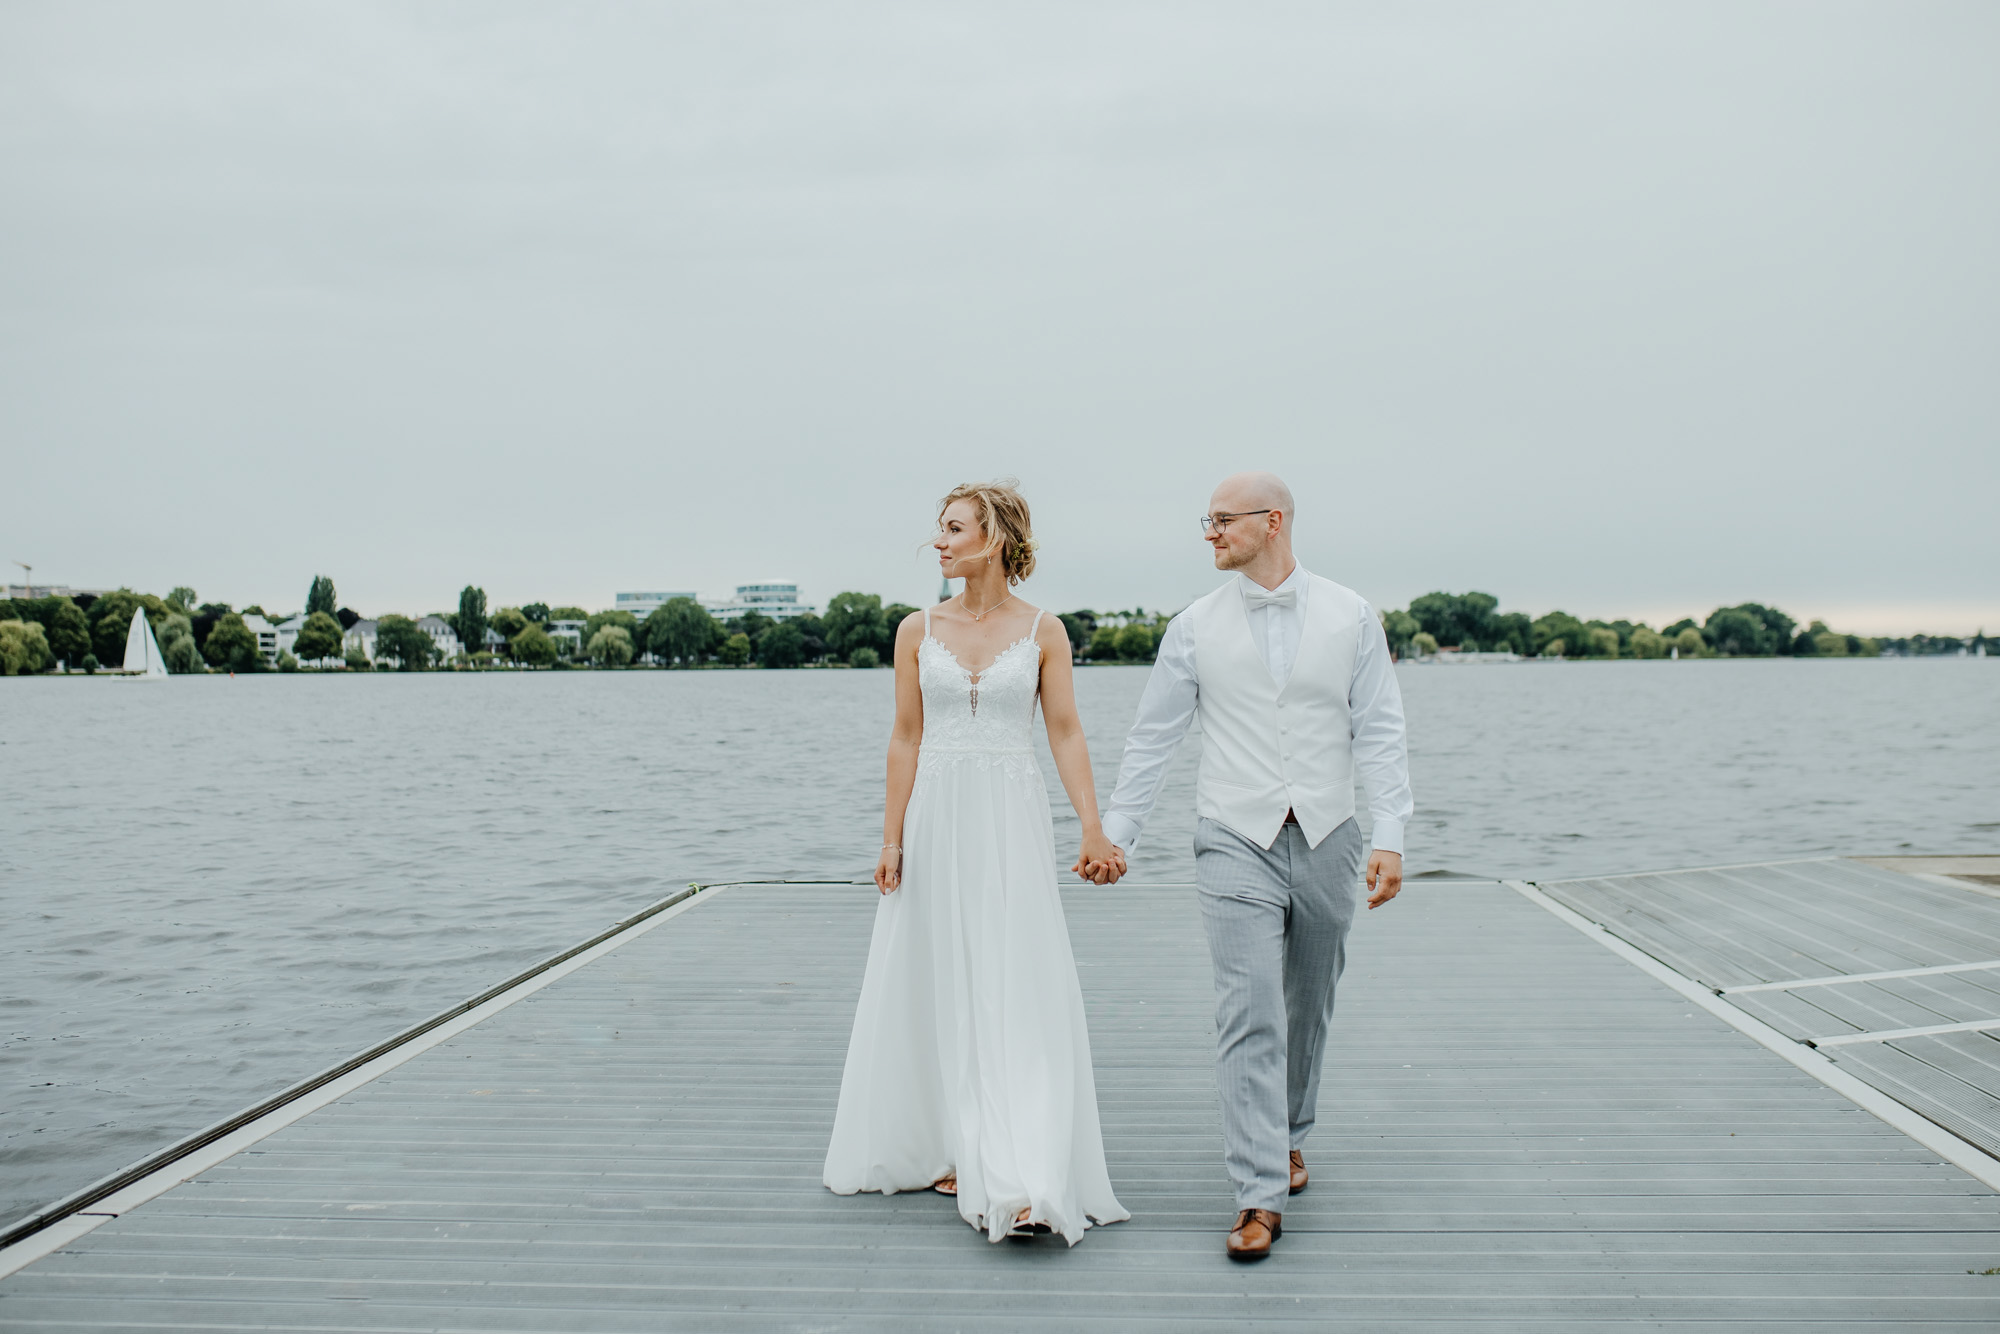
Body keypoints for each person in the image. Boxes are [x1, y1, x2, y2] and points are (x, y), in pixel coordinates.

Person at [1094, 470, 1412, 1261]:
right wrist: (1118, 832)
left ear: (1273, 521)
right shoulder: (1193, 626)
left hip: (1332, 832)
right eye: (1206, 522)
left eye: (1221, 521)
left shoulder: (1352, 614)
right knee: (1249, 1010)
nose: (1209, 533)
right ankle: (1258, 1195)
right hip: (1233, 834)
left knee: (1309, 999)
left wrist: (1391, 831)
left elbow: (1379, 728)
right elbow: (1153, 735)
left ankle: (1291, 1133)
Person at [823, 480, 1129, 1245]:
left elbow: (1064, 732)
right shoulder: (915, 628)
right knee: (934, 971)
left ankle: (1020, 1165)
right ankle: (951, 1141)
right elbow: (905, 737)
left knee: (1010, 976)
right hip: (936, 818)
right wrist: (891, 840)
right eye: (940, 528)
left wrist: (1092, 827)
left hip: (1009, 822)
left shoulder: (1044, 631)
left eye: (954, 528)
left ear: (993, 539)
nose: (940, 540)